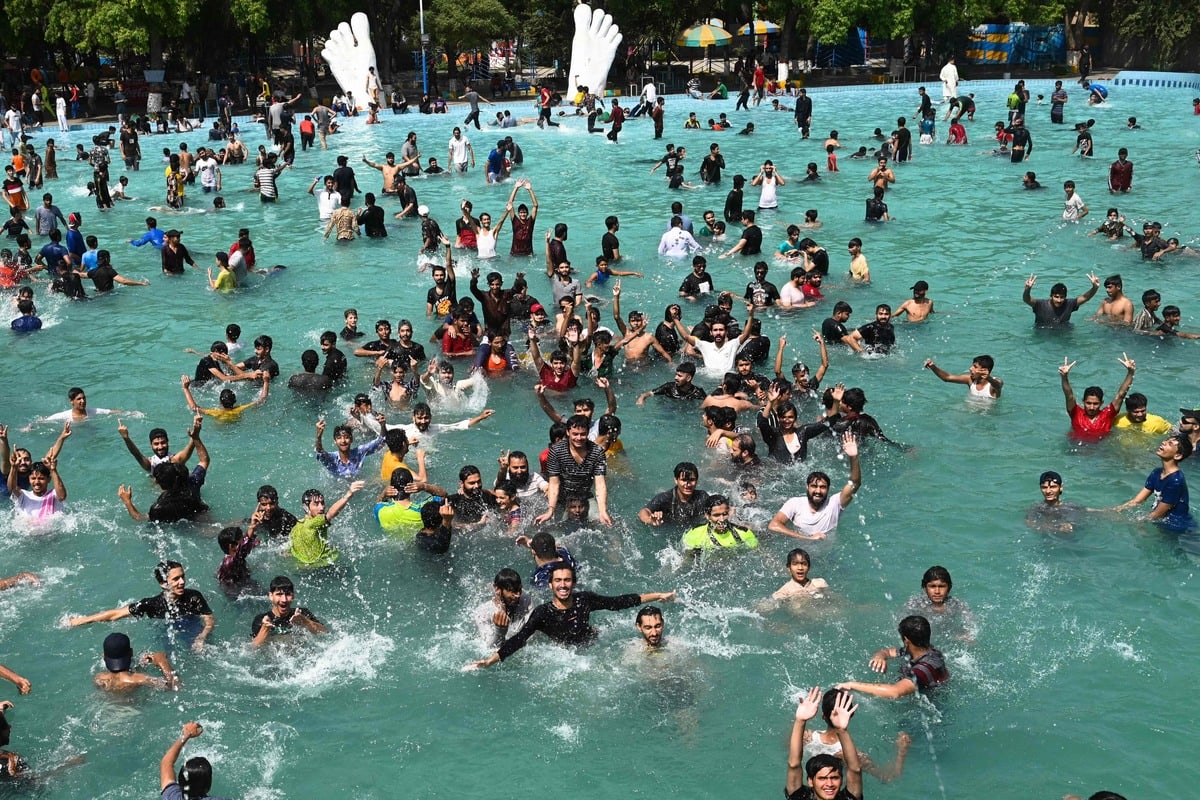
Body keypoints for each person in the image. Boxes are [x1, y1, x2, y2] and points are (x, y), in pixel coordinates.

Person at [469, 563, 675, 668]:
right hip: (566, 656)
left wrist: (657, 596)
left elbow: (617, 602)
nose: (563, 585)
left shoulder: (584, 599)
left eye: (567, 580)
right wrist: (490, 661)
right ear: (550, 585)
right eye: (558, 581)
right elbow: (519, 639)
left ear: (573, 583)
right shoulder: (542, 613)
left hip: (593, 644)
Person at [68, 561, 216, 650]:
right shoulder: (151, 604)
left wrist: (201, 637)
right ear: (163, 583)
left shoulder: (194, 597)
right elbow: (116, 614)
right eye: (176, 579)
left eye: (183, 576)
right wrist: (81, 620)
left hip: (191, 625)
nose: (182, 582)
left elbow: (209, 620)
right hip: (165, 631)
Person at [768, 432, 861, 540]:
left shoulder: (834, 504)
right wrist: (808, 538)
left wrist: (853, 457)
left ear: (828, 489)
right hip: (800, 548)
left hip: (828, 550)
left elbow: (855, 483)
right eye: (814, 486)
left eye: (822, 487)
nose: (818, 491)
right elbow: (774, 525)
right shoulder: (795, 503)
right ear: (807, 487)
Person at [835, 615, 949, 698]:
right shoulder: (923, 650)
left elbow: (895, 692)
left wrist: (852, 684)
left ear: (906, 640)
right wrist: (880, 657)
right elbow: (888, 652)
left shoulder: (925, 669)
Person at [785, 688, 863, 800]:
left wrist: (842, 731)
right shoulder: (801, 797)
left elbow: (855, 770)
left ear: (842, 780)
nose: (829, 784)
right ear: (810, 781)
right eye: (822, 778)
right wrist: (800, 721)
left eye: (835, 778)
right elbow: (794, 764)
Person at [536, 414, 611, 525]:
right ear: (568, 432)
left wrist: (603, 510)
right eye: (575, 434)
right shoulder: (556, 451)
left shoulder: (597, 452)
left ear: (588, 432)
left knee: (602, 523)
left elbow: (600, 484)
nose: (579, 438)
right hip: (562, 499)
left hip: (585, 497)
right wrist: (550, 510)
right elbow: (554, 483)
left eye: (583, 434)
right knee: (552, 526)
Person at [1112, 434, 1194, 530]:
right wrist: (1115, 510)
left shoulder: (1176, 481)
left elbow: (1157, 515)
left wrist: (1125, 522)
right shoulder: (1156, 472)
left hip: (1176, 526)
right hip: (1162, 521)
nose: (1163, 442)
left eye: (1170, 444)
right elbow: (1137, 501)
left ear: (1178, 455)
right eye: (1166, 440)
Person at [1059, 354, 1136, 439]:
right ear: (1083, 401)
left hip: (1102, 446)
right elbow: (1069, 395)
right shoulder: (1075, 413)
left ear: (1101, 403)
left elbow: (1121, 395)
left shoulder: (1108, 414)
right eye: (1088, 403)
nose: (1091, 407)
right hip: (1076, 445)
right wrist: (1064, 377)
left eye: (1095, 404)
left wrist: (1130, 372)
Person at [289, 481, 365, 566]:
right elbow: (330, 514)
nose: (321, 507)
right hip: (321, 566)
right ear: (306, 508)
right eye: (316, 504)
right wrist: (348, 495)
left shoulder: (296, 527)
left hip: (302, 567)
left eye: (322, 503)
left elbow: (289, 549)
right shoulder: (313, 523)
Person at [903, 566, 977, 643]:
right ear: (925, 588)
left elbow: (971, 625)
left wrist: (966, 636)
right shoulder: (915, 604)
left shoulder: (957, 605)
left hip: (949, 635)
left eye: (941, 586)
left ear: (949, 588)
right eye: (932, 586)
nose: (937, 591)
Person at [159, 721, 231, 800]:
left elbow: (166, 763)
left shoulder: (171, 796)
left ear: (180, 781)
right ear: (208, 786)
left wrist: (185, 735)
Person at [251, 575, 328, 646]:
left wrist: (305, 621)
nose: (284, 600)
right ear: (271, 596)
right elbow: (253, 648)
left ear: (293, 596)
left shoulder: (301, 614)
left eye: (288, 594)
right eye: (279, 594)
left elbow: (325, 633)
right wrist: (265, 628)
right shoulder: (262, 620)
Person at [92, 632, 178, 691]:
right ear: (131, 652)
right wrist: (163, 662)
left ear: (103, 656)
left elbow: (120, 678)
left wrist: (140, 666)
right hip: (130, 711)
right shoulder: (140, 679)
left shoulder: (99, 678)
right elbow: (174, 687)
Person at [473, 568, 534, 649]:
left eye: (519, 590)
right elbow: (489, 649)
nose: (518, 595)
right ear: (497, 589)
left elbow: (532, 634)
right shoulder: (482, 612)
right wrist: (500, 631)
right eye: (512, 591)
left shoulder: (526, 600)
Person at [680, 494, 758, 555]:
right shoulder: (695, 534)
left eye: (725, 514)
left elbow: (758, 554)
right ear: (707, 516)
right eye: (716, 515)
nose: (722, 519)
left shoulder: (744, 533)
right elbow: (687, 561)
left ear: (729, 512)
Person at [638, 462, 709, 527]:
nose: (688, 484)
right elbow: (643, 512)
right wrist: (651, 520)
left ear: (697, 480)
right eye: (684, 480)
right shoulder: (665, 498)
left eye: (692, 480)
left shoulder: (702, 496)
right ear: (676, 480)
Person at [1022, 273, 1099, 327]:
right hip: (1042, 333)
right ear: (1051, 296)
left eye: (1062, 297)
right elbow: (1027, 299)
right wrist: (1027, 289)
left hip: (1064, 332)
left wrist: (1095, 287)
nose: (1059, 300)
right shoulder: (1041, 305)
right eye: (1056, 297)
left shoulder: (1069, 304)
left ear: (1065, 297)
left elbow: (1085, 297)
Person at [923, 355, 1002, 400]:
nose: (970, 368)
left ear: (984, 370)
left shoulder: (994, 383)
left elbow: (998, 385)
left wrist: (989, 378)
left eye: (975, 367)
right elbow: (947, 378)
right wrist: (933, 367)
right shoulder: (970, 380)